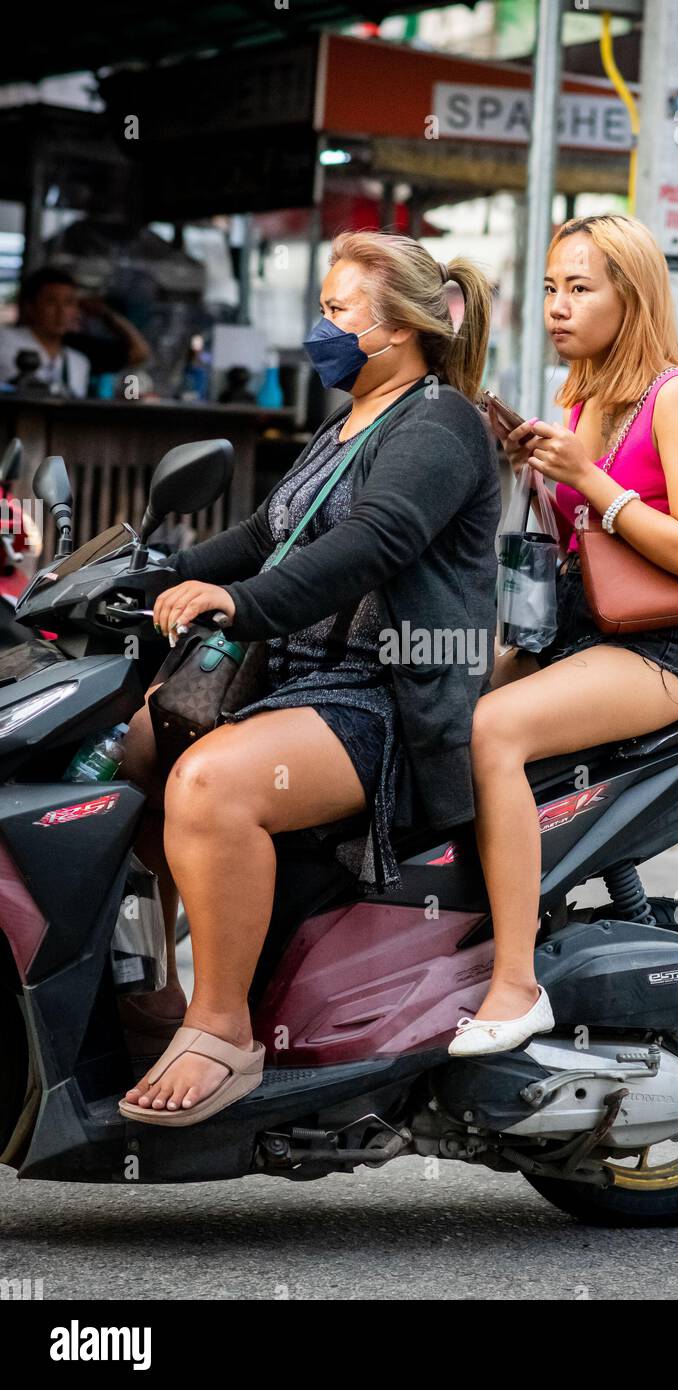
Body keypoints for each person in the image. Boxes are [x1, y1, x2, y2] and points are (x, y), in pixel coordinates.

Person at [117, 231, 500, 1124]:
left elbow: (376, 541)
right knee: (131, 752)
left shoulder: (440, 422)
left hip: (382, 699)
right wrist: (140, 576)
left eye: (334, 310)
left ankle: (225, 1029)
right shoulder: (350, 418)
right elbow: (264, 535)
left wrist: (238, 606)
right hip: (292, 681)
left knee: (209, 784)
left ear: (399, 327)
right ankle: (151, 993)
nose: (317, 328)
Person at [452, 213, 678, 1058]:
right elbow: (571, 548)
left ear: (630, 295)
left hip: (655, 653)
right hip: (570, 637)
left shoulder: (676, 396)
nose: (558, 307)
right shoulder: (579, 395)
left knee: (495, 729)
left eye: (580, 288)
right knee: (430, 702)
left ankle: (516, 981)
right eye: (549, 289)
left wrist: (591, 482)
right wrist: (534, 470)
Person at [0, 267, 150, 397]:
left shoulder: (78, 358)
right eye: (51, 302)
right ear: (30, 307)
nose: (61, 312)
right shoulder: (5, 340)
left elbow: (139, 352)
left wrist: (105, 313)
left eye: (69, 303)